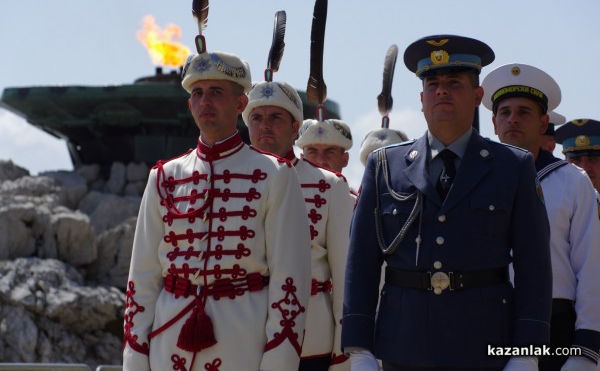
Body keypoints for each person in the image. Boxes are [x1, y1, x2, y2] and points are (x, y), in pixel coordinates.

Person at [341, 34, 552, 371]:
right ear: (422, 98)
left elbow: (535, 267)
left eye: (454, 82)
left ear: (477, 96)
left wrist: (527, 352)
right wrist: (359, 347)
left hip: (485, 344)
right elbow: (361, 262)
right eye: (433, 84)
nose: (441, 91)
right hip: (403, 344)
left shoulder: (513, 166)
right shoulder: (385, 166)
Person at [122, 50, 312, 371]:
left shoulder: (275, 174)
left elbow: (290, 279)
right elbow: (142, 278)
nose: (205, 101)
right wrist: (136, 358)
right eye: (197, 93)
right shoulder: (164, 177)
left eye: (216, 92)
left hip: (244, 345)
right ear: (189, 105)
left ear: (240, 105)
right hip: (168, 346)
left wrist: (278, 360)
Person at [482, 63, 600, 371]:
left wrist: (587, 346)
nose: (513, 119)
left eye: (524, 112)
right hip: (483, 319)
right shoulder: (471, 178)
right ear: (493, 123)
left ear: (543, 122)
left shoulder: (572, 181)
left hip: (553, 326)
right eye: (505, 112)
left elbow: (591, 267)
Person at [244, 79, 355, 371]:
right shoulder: (229, 181)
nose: (265, 126)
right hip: (241, 334)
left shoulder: (330, 186)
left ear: (295, 128)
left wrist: (343, 353)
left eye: (276, 117)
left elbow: (345, 276)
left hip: (309, 338)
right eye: (257, 118)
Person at [555, 119, 600, 193]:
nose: (584, 168)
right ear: (565, 162)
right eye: (576, 160)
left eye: (593, 159)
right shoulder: (553, 202)